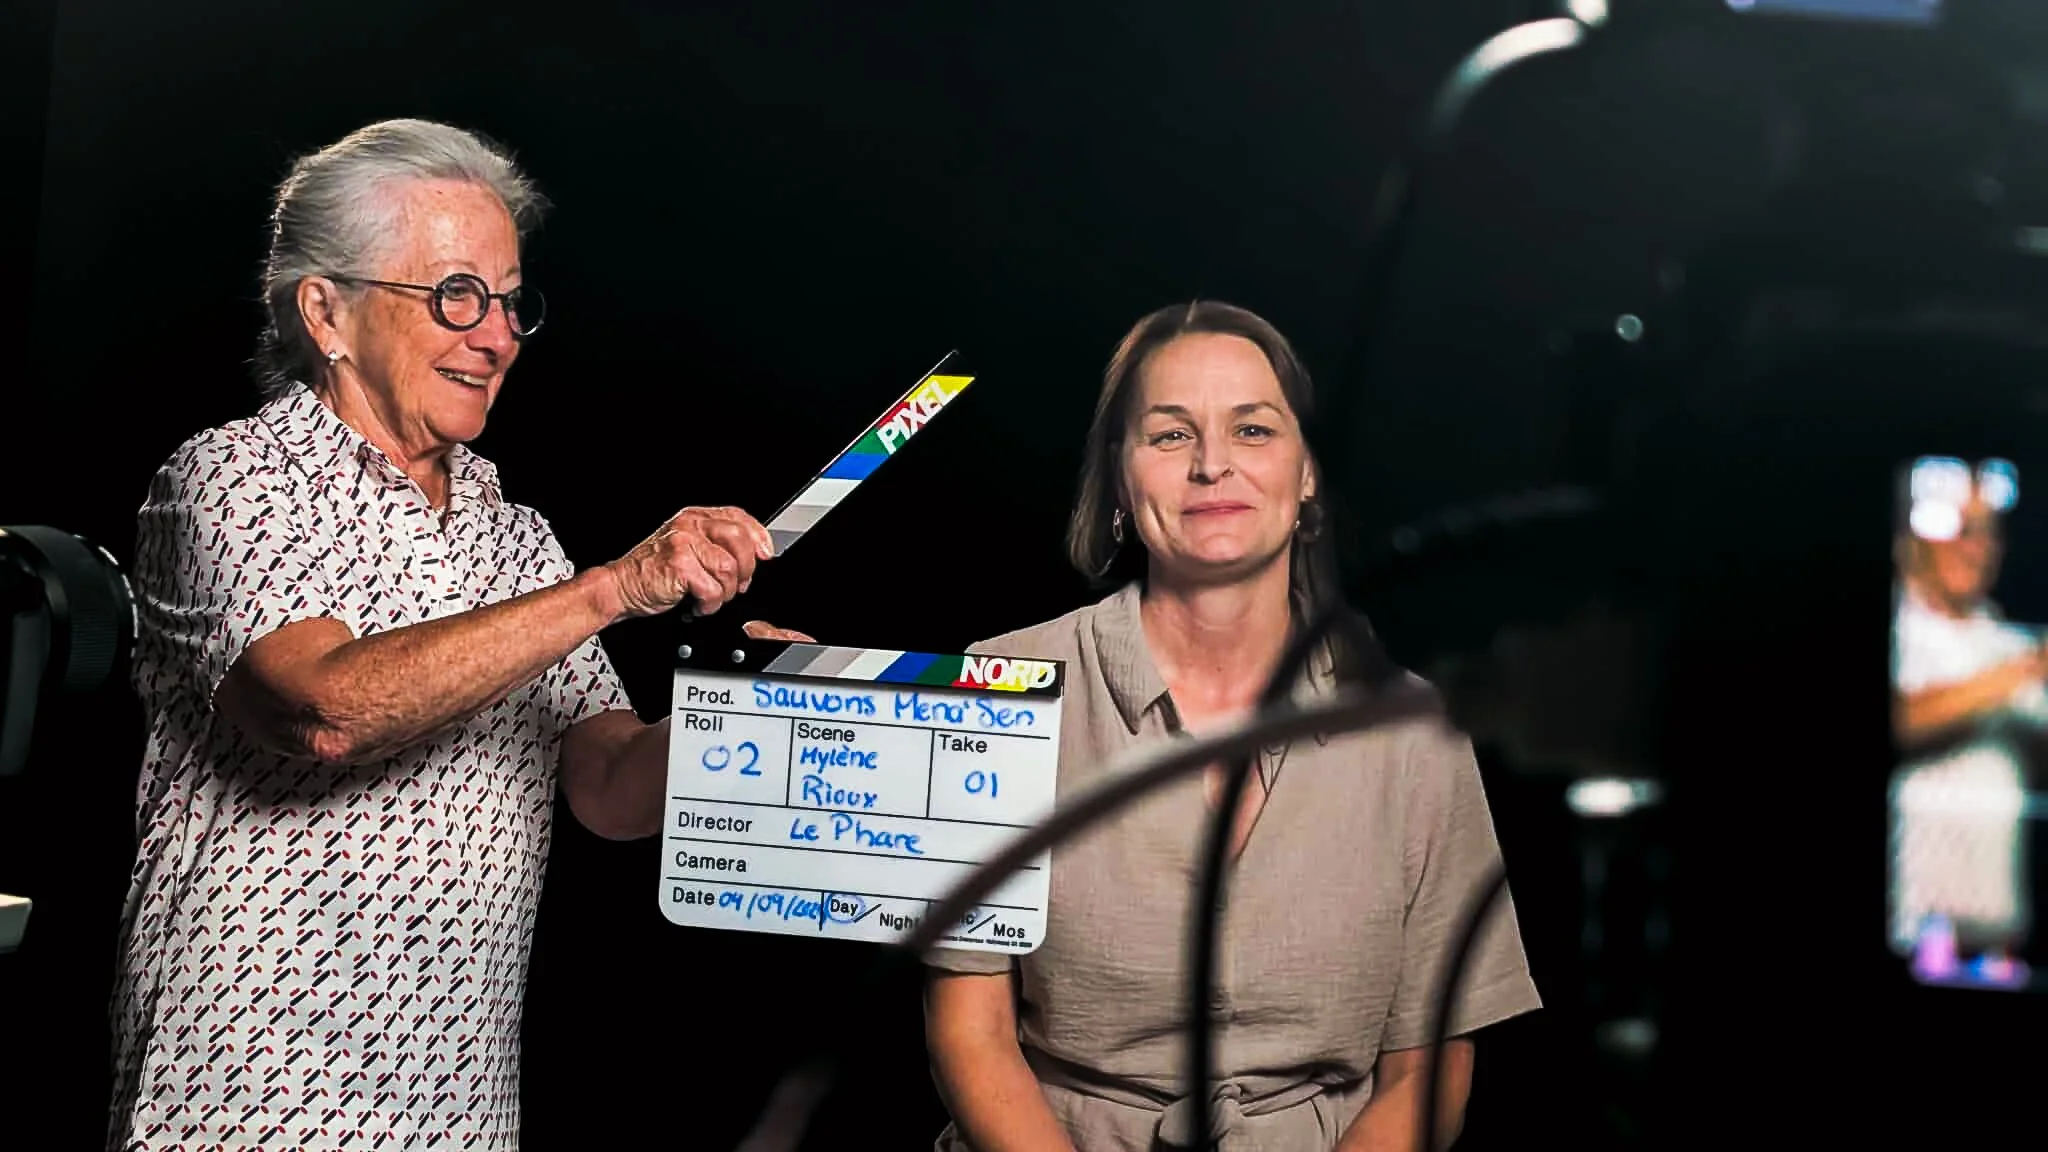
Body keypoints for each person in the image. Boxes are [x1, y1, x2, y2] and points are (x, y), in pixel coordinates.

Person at [107, 118, 808, 1150]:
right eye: (456, 296)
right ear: (327, 311)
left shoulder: (516, 538)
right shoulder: (231, 480)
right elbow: (325, 710)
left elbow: (608, 789)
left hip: (458, 1113)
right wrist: (616, 587)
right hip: (246, 1103)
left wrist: (743, 715)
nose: (496, 338)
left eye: (511, 302)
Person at [921, 301, 1542, 1151]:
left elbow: (1428, 1068)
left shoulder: (1417, 732)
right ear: (1119, 475)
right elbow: (972, 1033)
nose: (1213, 465)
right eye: (1171, 434)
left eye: (1252, 430)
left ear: (1308, 471)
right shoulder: (1000, 692)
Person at [1890, 460, 2045, 985]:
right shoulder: (1899, 627)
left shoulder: (2007, 640)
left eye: (1987, 533)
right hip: (1912, 936)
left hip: (1997, 945)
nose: (1976, 548)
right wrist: (2017, 675)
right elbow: (1900, 722)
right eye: (1960, 529)